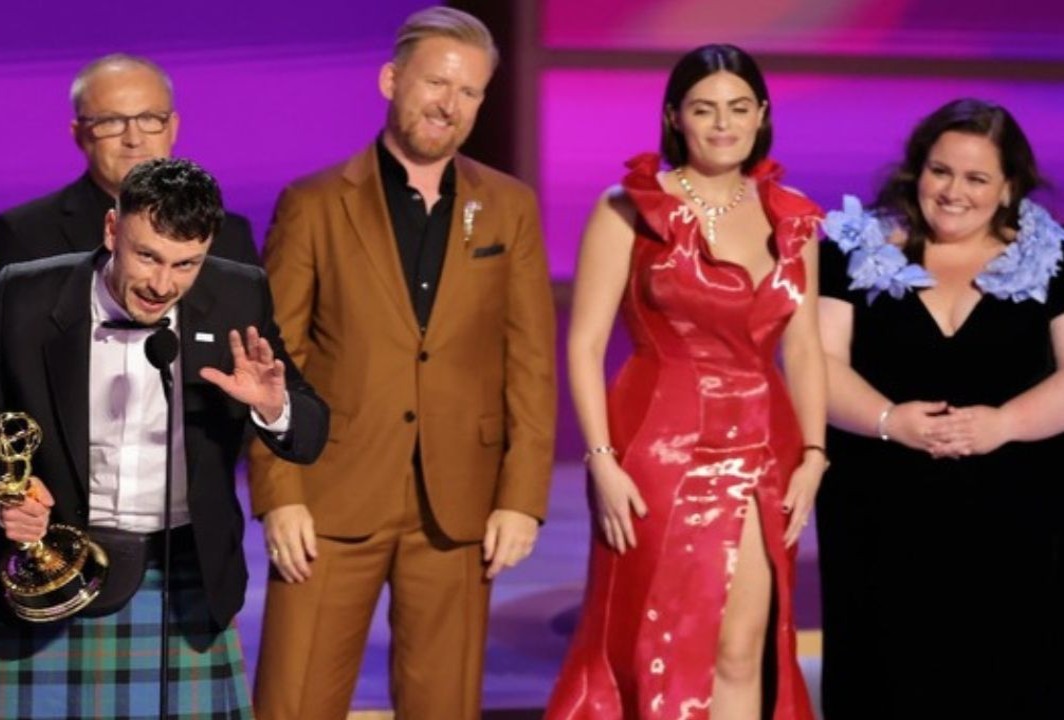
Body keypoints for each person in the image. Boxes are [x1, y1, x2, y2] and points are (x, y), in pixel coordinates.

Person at [248, 6, 556, 719]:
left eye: (469, 91)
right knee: (292, 703)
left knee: (444, 705)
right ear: (392, 80)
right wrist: (280, 492)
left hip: (459, 508)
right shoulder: (316, 203)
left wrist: (521, 498)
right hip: (328, 498)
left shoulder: (508, 207)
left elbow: (530, 360)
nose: (448, 103)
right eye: (435, 82)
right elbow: (273, 360)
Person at [0, 157, 328, 719]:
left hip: (184, 577)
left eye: (185, 264)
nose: (161, 284)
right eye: (146, 255)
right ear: (111, 230)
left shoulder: (236, 297)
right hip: (56, 569)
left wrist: (275, 408)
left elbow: (311, 431)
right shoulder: (24, 298)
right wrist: (11, 497)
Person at [544, 44, 826, 719]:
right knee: (658, 642)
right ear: (675, 117)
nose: (722, 124)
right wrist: (603, 461)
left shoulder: (795, 218)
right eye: (704, 109)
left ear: (762, 115)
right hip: (657, 450)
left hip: (764, 446)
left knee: (742, 645)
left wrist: (814, 455)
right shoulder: (630, 207)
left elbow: (807, 350)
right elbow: (583, 345)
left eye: (738, 108)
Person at [816, 99, 1063, 718]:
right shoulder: (850, 251)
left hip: (1017, 520)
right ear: (916, 172)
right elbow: (817, 364)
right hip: (879, 512)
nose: (954, 192)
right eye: (940, 171)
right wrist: (887, 420)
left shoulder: (1055, 260)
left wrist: (1001, 424)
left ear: (1008, 187)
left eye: (977, 178)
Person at [0, 53, 259, 308]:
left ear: (172, 128)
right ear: (79, 134)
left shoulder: (229, 235)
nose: (133, 139)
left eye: (148, 119)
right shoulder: (25, 234)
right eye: (110, 122)